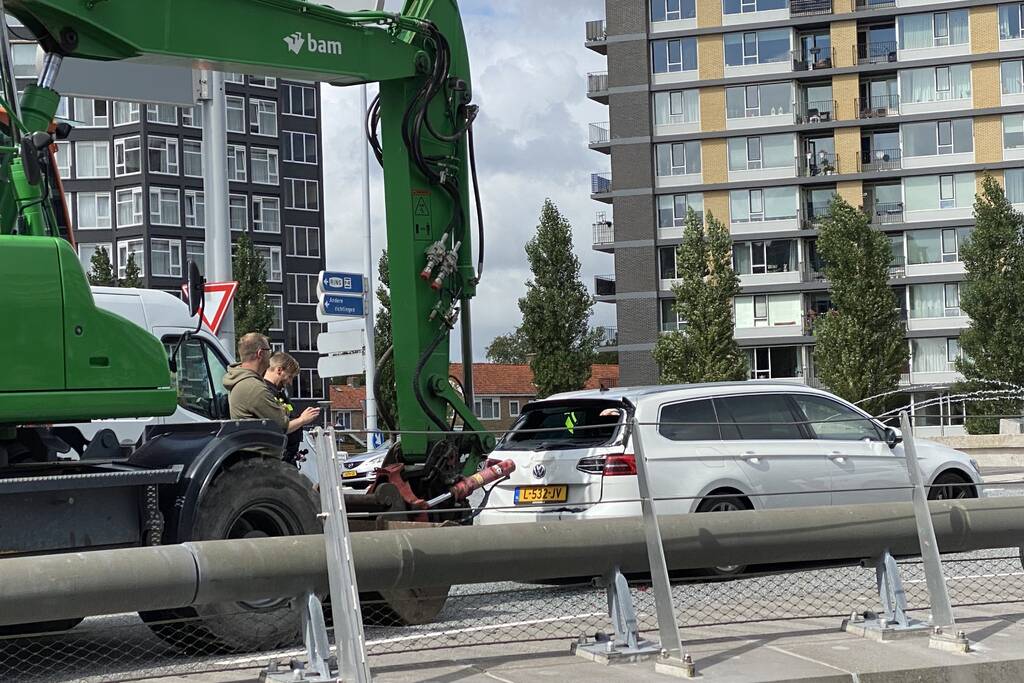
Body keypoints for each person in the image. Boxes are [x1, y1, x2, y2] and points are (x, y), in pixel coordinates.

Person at [264, 351, 320, 463]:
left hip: (287, 458)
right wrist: (302, 420)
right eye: (289, 377)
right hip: (277, 461)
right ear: (279, 370)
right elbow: (278, 428)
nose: (289, 382)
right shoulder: (266, 393)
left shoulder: (279, 393)